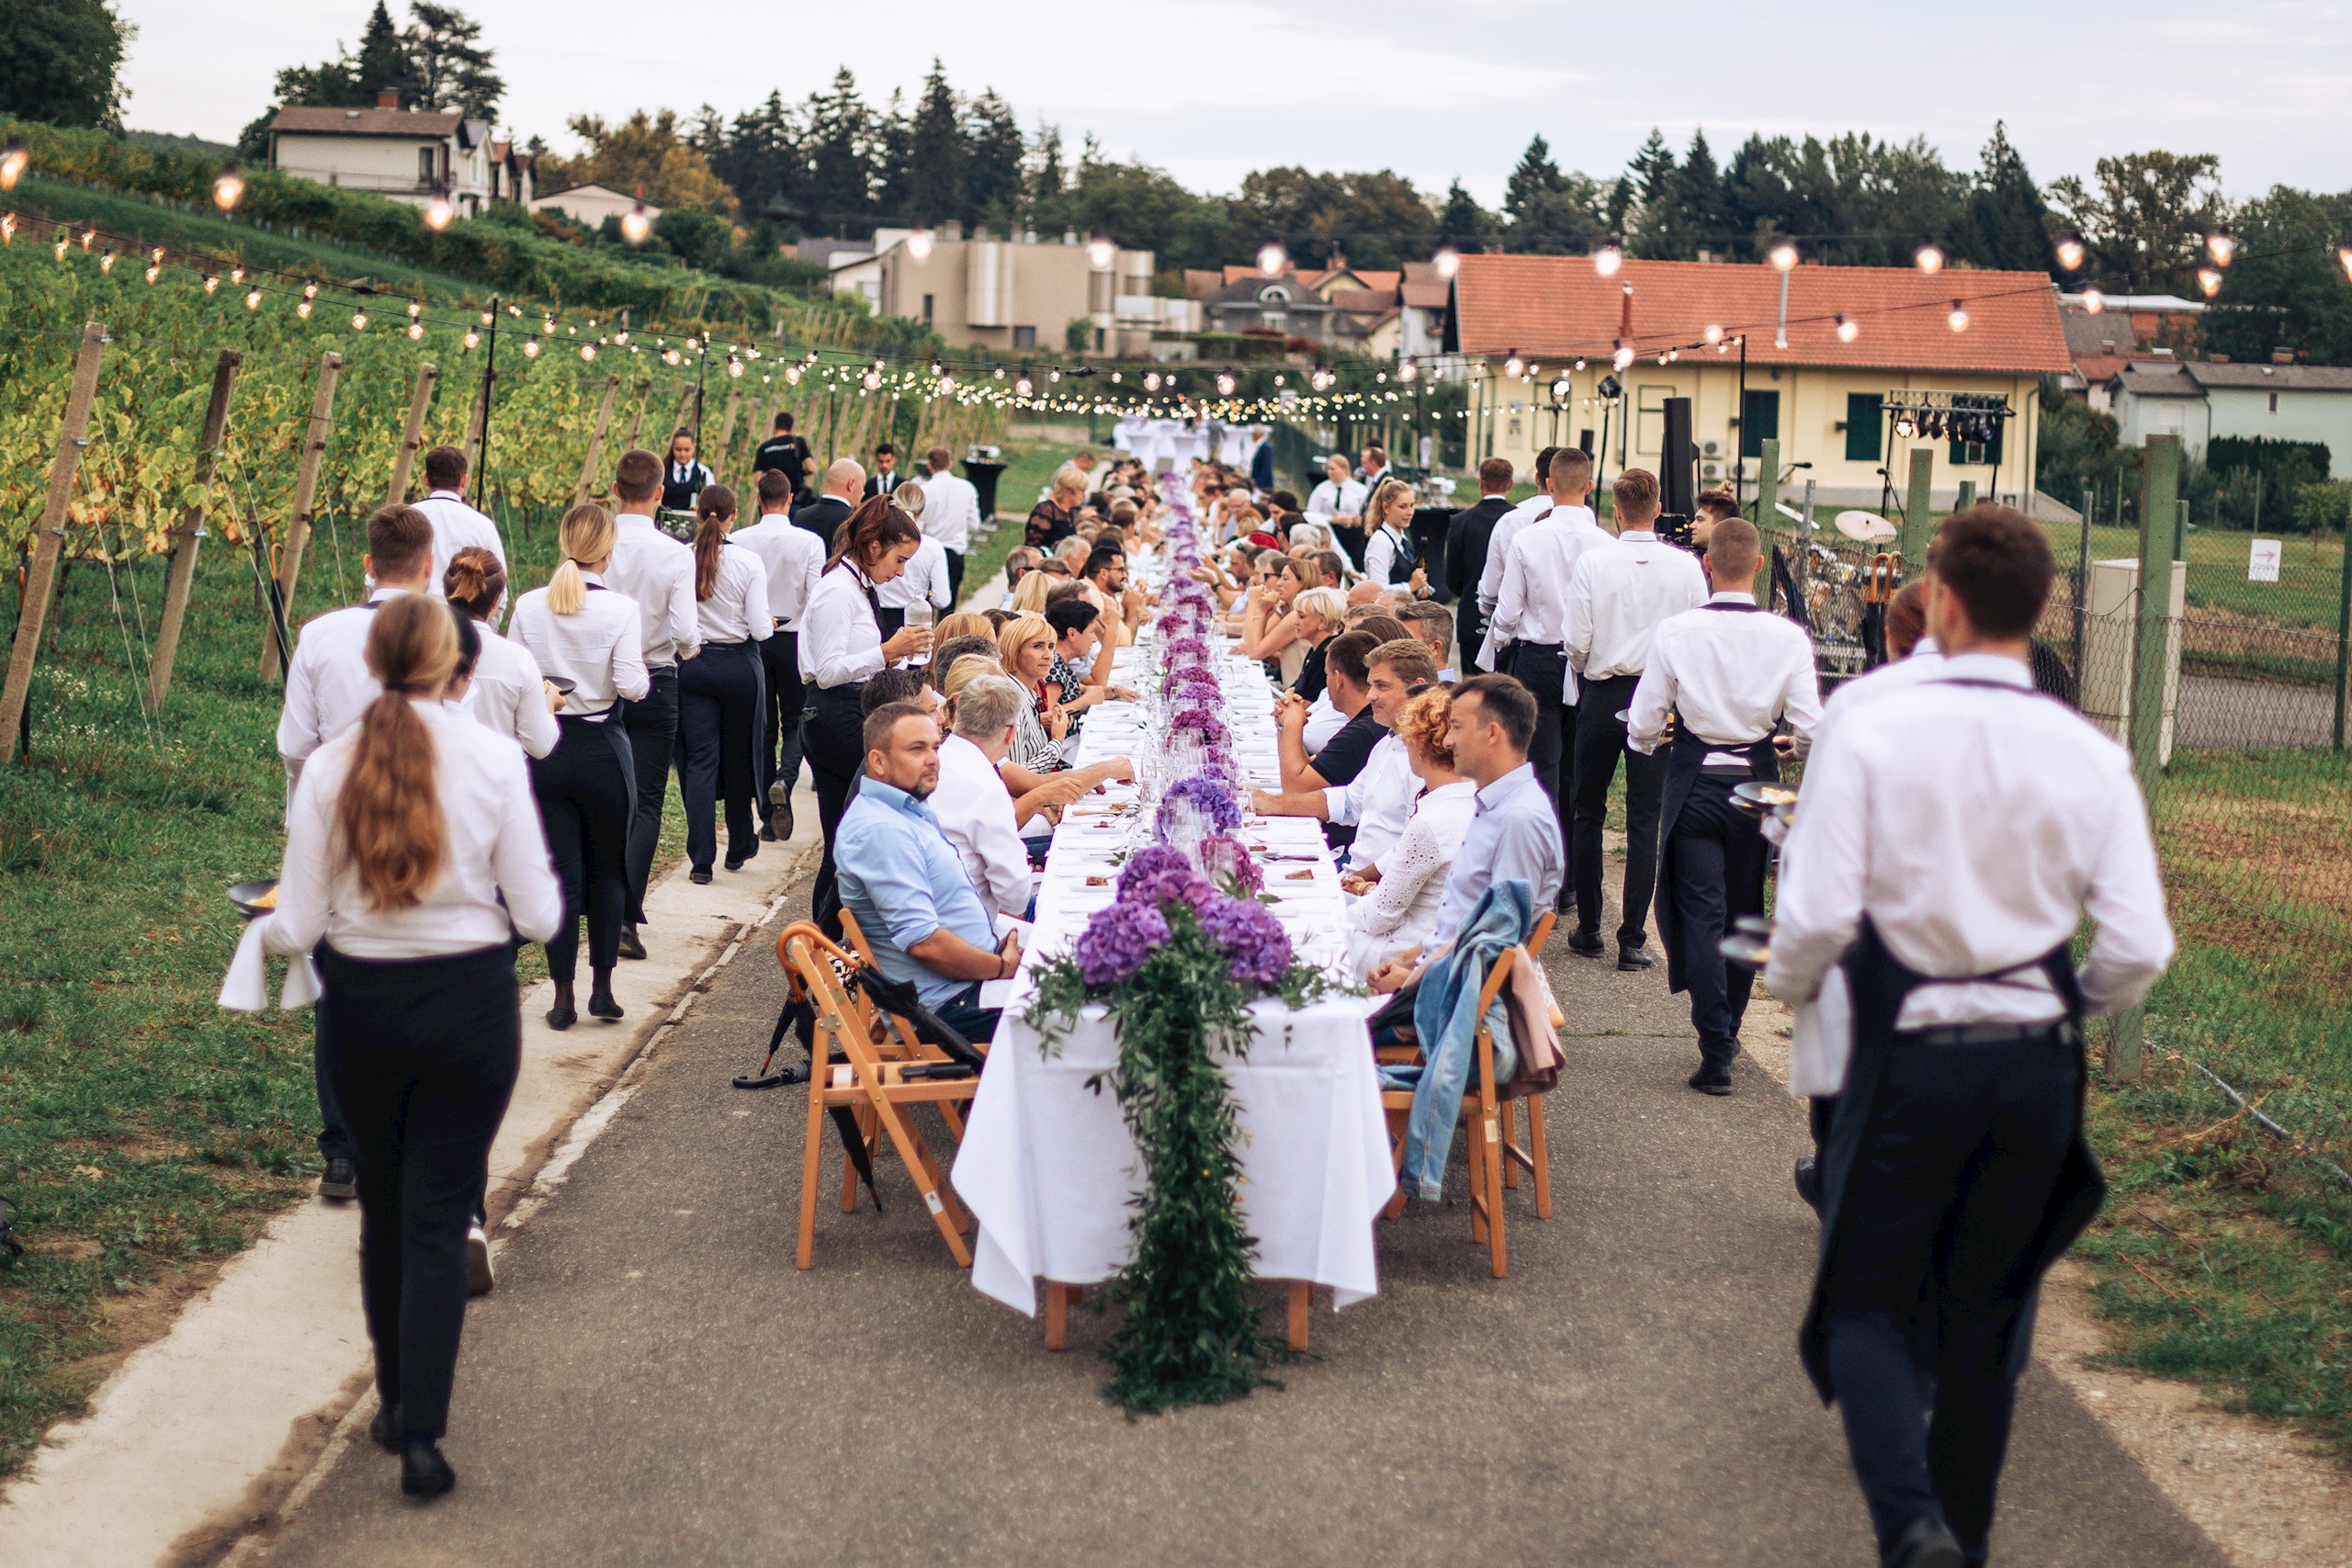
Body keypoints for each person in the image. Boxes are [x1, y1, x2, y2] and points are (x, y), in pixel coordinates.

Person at [1765, 505, 2172, 1568]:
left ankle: (1908, 1525)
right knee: (1989, 1317)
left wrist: (1791, 988)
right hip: (2035, 1068)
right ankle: (1966, 1543)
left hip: (1909, 1053)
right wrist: (2058, 1002)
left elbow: (1812, 918)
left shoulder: (1870, 721)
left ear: (1939, 599)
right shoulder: (2088, 752)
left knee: (1862, 1303)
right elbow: (2136, 947)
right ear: (2039, 612)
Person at [253, 594, 560, 1500]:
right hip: (468, 1006)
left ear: (376, 662)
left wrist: (266, 932)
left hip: (364, 1009)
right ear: (459, 670)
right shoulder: (495, 759)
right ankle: (420, 1433)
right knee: (437, 1219)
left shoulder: (328, 767)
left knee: (387, 1214)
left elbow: (300, 919)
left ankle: (393, 1399)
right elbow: (540, 913)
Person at [277, 502, 440, 1202]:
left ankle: (343, 1147)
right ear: (428, 567)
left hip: (336, 822)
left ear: (367, 565)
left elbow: (294, 743)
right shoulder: (452, 635)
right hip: (423, 826)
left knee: (337, 986)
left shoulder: (319, 634)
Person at [1627, 517, 1820, 1095]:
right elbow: (1813, 725)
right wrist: (1792, 747)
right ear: (1760, 566)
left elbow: (1643, 718)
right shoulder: (1789, 637)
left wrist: (1643, 744)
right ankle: (1730, 1030)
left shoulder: (1677, 631)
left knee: (1703, 917)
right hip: (1761, 784)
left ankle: (1716, 1046)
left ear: (1706, 564)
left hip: (1695, 784)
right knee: (1746, 913)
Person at [510, 502, 648, 1031]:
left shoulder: (528, 606)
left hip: (547, 751)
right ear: (608, 552)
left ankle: (562, 994)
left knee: (562, 875)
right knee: (609, 869)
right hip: (602, 750)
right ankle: (603, 989)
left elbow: (521, 679)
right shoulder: (622, 610)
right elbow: (633, 686)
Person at [1563, 467, 1710, 960]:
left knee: (1588, 809)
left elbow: (1577, 640)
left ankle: (1589, 926)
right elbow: (1697, 636)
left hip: (1604, 691)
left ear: (1617, 510)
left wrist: (1588, 672)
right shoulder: (1687, 567)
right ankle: (1632, 938)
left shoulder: (1594, 562)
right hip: (1661, 695)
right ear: (1659, 507)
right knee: (1646, 817)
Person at [834, 701, 1023, 1042]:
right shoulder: (881, 830)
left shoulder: (905, 808)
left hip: (969, 982)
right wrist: (1000, 968)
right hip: (949, 1005)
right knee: (1092, 1018)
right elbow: (924, 944)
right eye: (916, 749)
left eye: (935, 746)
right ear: (877, 761)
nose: (933, 758)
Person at [1368, 675, 1563, 989]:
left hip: (1451, 1004)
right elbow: (1458, 923)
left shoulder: (1517, 819)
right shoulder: (1492, 804)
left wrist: (1413, 982)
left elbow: (1496, 948)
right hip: (1437, 979)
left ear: (1492, 734)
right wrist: (1406, 959)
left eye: (1456, 727)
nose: (1446, 742)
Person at [1488, 449, 1611, 908]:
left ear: (1548, 484)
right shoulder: (1605, 543)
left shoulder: (1529, 538)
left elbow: (1508, 611)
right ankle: (1572, 882)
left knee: (1539, 771)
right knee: (1577, 771)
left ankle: (1542, 879)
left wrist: (1498, 643)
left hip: (1536, 660)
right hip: (1585, 663)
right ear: (1587, 484)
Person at [801, 499, 932, 927]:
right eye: (899, 559)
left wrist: (893, 658)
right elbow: (826, 671)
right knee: (853, 841)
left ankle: (823, 948)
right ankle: (823, 944)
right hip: (834, 714)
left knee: (844, 841)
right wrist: (886, 651)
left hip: (847, 709)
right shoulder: (838, 590)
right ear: (874, 547)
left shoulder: (857, 587)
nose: (901, 571)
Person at [604, 448, 700, 963]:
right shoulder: (676, 553)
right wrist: (691, 649)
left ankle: (595, 906)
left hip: (600, 684)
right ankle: (624, 917)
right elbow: (685, 630)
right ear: (662, 493)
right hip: (658, 681)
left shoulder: (597, 544)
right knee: (646, 804)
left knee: (605, 799)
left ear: (615, 489)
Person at [1257, 637, 1436, 867]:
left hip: (1371, 885)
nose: (1370, 695)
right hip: (1355, 870)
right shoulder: (1388, 741)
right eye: (1371, 685)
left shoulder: (1429, 757)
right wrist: (1271, 803)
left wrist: (1357, 882)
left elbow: (1415, 852)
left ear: (1417, 688)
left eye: (1381, 686)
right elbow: (1349, 800)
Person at [1341, 686, 1477, 980]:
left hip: (1410, 955)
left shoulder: (1431, 820)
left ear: (1418, 744)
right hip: (1446, 946)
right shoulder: (1475, 801)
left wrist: (1327, 908)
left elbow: (1380, 917)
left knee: (1311, 940)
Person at [675, 485, 772, 883]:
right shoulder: (749, 562)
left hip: (696, 665)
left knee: (700, 761)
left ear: (698, 513)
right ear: (734, 515)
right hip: (738, 668)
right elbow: (761, 630)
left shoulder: (682, 557)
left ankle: (700, 859)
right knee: (738, 756)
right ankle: (739, 843)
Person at [730, 469, 826, 842]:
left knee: (764, 726)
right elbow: (816, 598)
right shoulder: (810, 542)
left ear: (758, 499)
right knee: (797, 717)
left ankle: (768, 817)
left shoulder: (739, 540)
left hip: (754, 640)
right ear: (789, 500)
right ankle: (786, 778)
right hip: (794, 638)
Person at [933, 672, 1071, 919]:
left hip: (936, 910)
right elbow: (1015, 896)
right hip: (971, 926)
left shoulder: (936, 761)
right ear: (1010, 734)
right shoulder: (986, 786)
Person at [443, 547, 559, 762]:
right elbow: (540, 745)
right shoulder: (518, 660)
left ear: (447, 594)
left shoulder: (422, 650)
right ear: (497, 600)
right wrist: (549, 704)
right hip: (499, 778)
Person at [1443, 457, 1514, 675]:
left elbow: (1452, 578)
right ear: (1510, 484)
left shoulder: (1461, 521)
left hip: (1473, 613)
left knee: (1472, 686)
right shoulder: (1518, 520)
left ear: (1481, 483)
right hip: (1511, 615)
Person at [1476, 446, 1561, 625]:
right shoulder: (1587, 520)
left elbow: (1490, 588)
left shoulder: (1510, 520)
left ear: (1538, 479)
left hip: (1520, 628)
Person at [412, 446, 505, 596]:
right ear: (464, 481)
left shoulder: (405, 518)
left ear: (426, 479)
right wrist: (479, 620)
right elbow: (500, 588)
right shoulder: (483, 526)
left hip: (410, 615)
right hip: (464, 616)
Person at [998, 613, 1072, 773]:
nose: (1048, 656)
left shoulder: (1028, 693)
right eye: (1038, 646)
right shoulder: (1012, 699)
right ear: (1014, 651)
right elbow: (1019, 777)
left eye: (1051, 647)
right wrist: (1057, 740)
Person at [877, 481, 953, 637]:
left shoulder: (878, 540)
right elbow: (942, 599)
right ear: (922, 510)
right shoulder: (933, 548)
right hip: (914, 621)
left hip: (877, 616)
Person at [913, 444, 980, 604]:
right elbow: (974, 524)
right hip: (955, 552)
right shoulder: (967, 488)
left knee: (924, 602)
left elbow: (918, 526)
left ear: (929, 466)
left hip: (929, 552)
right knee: (949, 603)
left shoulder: (924, 490)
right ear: (950, 464)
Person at [1361, 475, 1428, 593]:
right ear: (1386, 508)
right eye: (1403, 507)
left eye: (1412, 505)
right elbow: (1378, 591)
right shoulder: (1380, 542)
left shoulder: (1402, 537)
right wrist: (1410, 586)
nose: (1410, 512)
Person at [1305, 452, 1369, 568]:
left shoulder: (1360, 490)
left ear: (1344, 469)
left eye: (1333, 469)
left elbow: (1368, 512)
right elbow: (1311, 512)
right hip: (1331, 531)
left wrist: (1357, 519)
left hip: (1353, 534)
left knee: (1358, 563)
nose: (1329, 472)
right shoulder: (1322, 489)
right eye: (1328, 469)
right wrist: (1332, 519)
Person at [1286, 586, 1345, 702]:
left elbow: (1309, 701)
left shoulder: (1327, 653)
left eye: (1302, 616)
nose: (1296, 622)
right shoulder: (1316, 648)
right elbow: (1297, 687)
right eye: (1296, 616)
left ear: (1322, 622)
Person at [793, 457, 864, 550]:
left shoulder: (800, 517)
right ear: (851, 484)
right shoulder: (855, 521)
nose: (863, 493)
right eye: (862, 486)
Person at [751, 412, 812, 502]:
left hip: (773, 499)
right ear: (791, 427)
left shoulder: (764, 448)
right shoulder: (798, 442)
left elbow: (757, 479)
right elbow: (811, 468)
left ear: (775, 425)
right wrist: (798, 473)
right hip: (795, 496)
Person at [1395, 599, 1456, 683]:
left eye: (1408, 640)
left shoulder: (1452, 695)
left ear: (1435, 648)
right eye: (1396, 638)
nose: (1395, 646)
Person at [1025, 465, 1085, 549]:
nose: (1084, 495)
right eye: (1082, 490)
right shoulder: (1046, 510)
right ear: (1071, 491)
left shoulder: (1069, 512)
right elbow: (1032, 545)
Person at [661, 429, 713, 516]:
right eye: (678, 449)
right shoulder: (662, 471)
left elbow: (712, 502)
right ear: (672, 448)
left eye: (687, 450)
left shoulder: (703, 473)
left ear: (693, 447)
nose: (682, 454)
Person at [1248, 425, 1275, 494]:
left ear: (1257, 434)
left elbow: (1266, 466)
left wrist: (1259, 483)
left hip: (1263, 485)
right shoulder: (1261, 447)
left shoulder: (1266, 448)